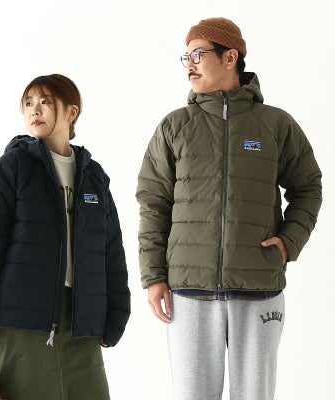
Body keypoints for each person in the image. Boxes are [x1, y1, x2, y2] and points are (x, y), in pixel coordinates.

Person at [136, 17, 322, 400]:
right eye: (186, 57)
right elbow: (153, 203)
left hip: (258, 290)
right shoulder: (175, 127)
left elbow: (308, 187)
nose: (189, 65)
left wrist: (289, 242)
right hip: (189, 293)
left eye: (198, 54)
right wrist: (154, 276)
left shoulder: (275, 125)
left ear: (230, 57)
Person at [0, 73, 130, 400]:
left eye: (45, 102)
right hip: (22, 319)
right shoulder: (12, 167)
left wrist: (116, 317)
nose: (34, 110)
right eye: (28, 103)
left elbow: (111, 252)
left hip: (82, 319)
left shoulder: (94, 177)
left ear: (71, 112)